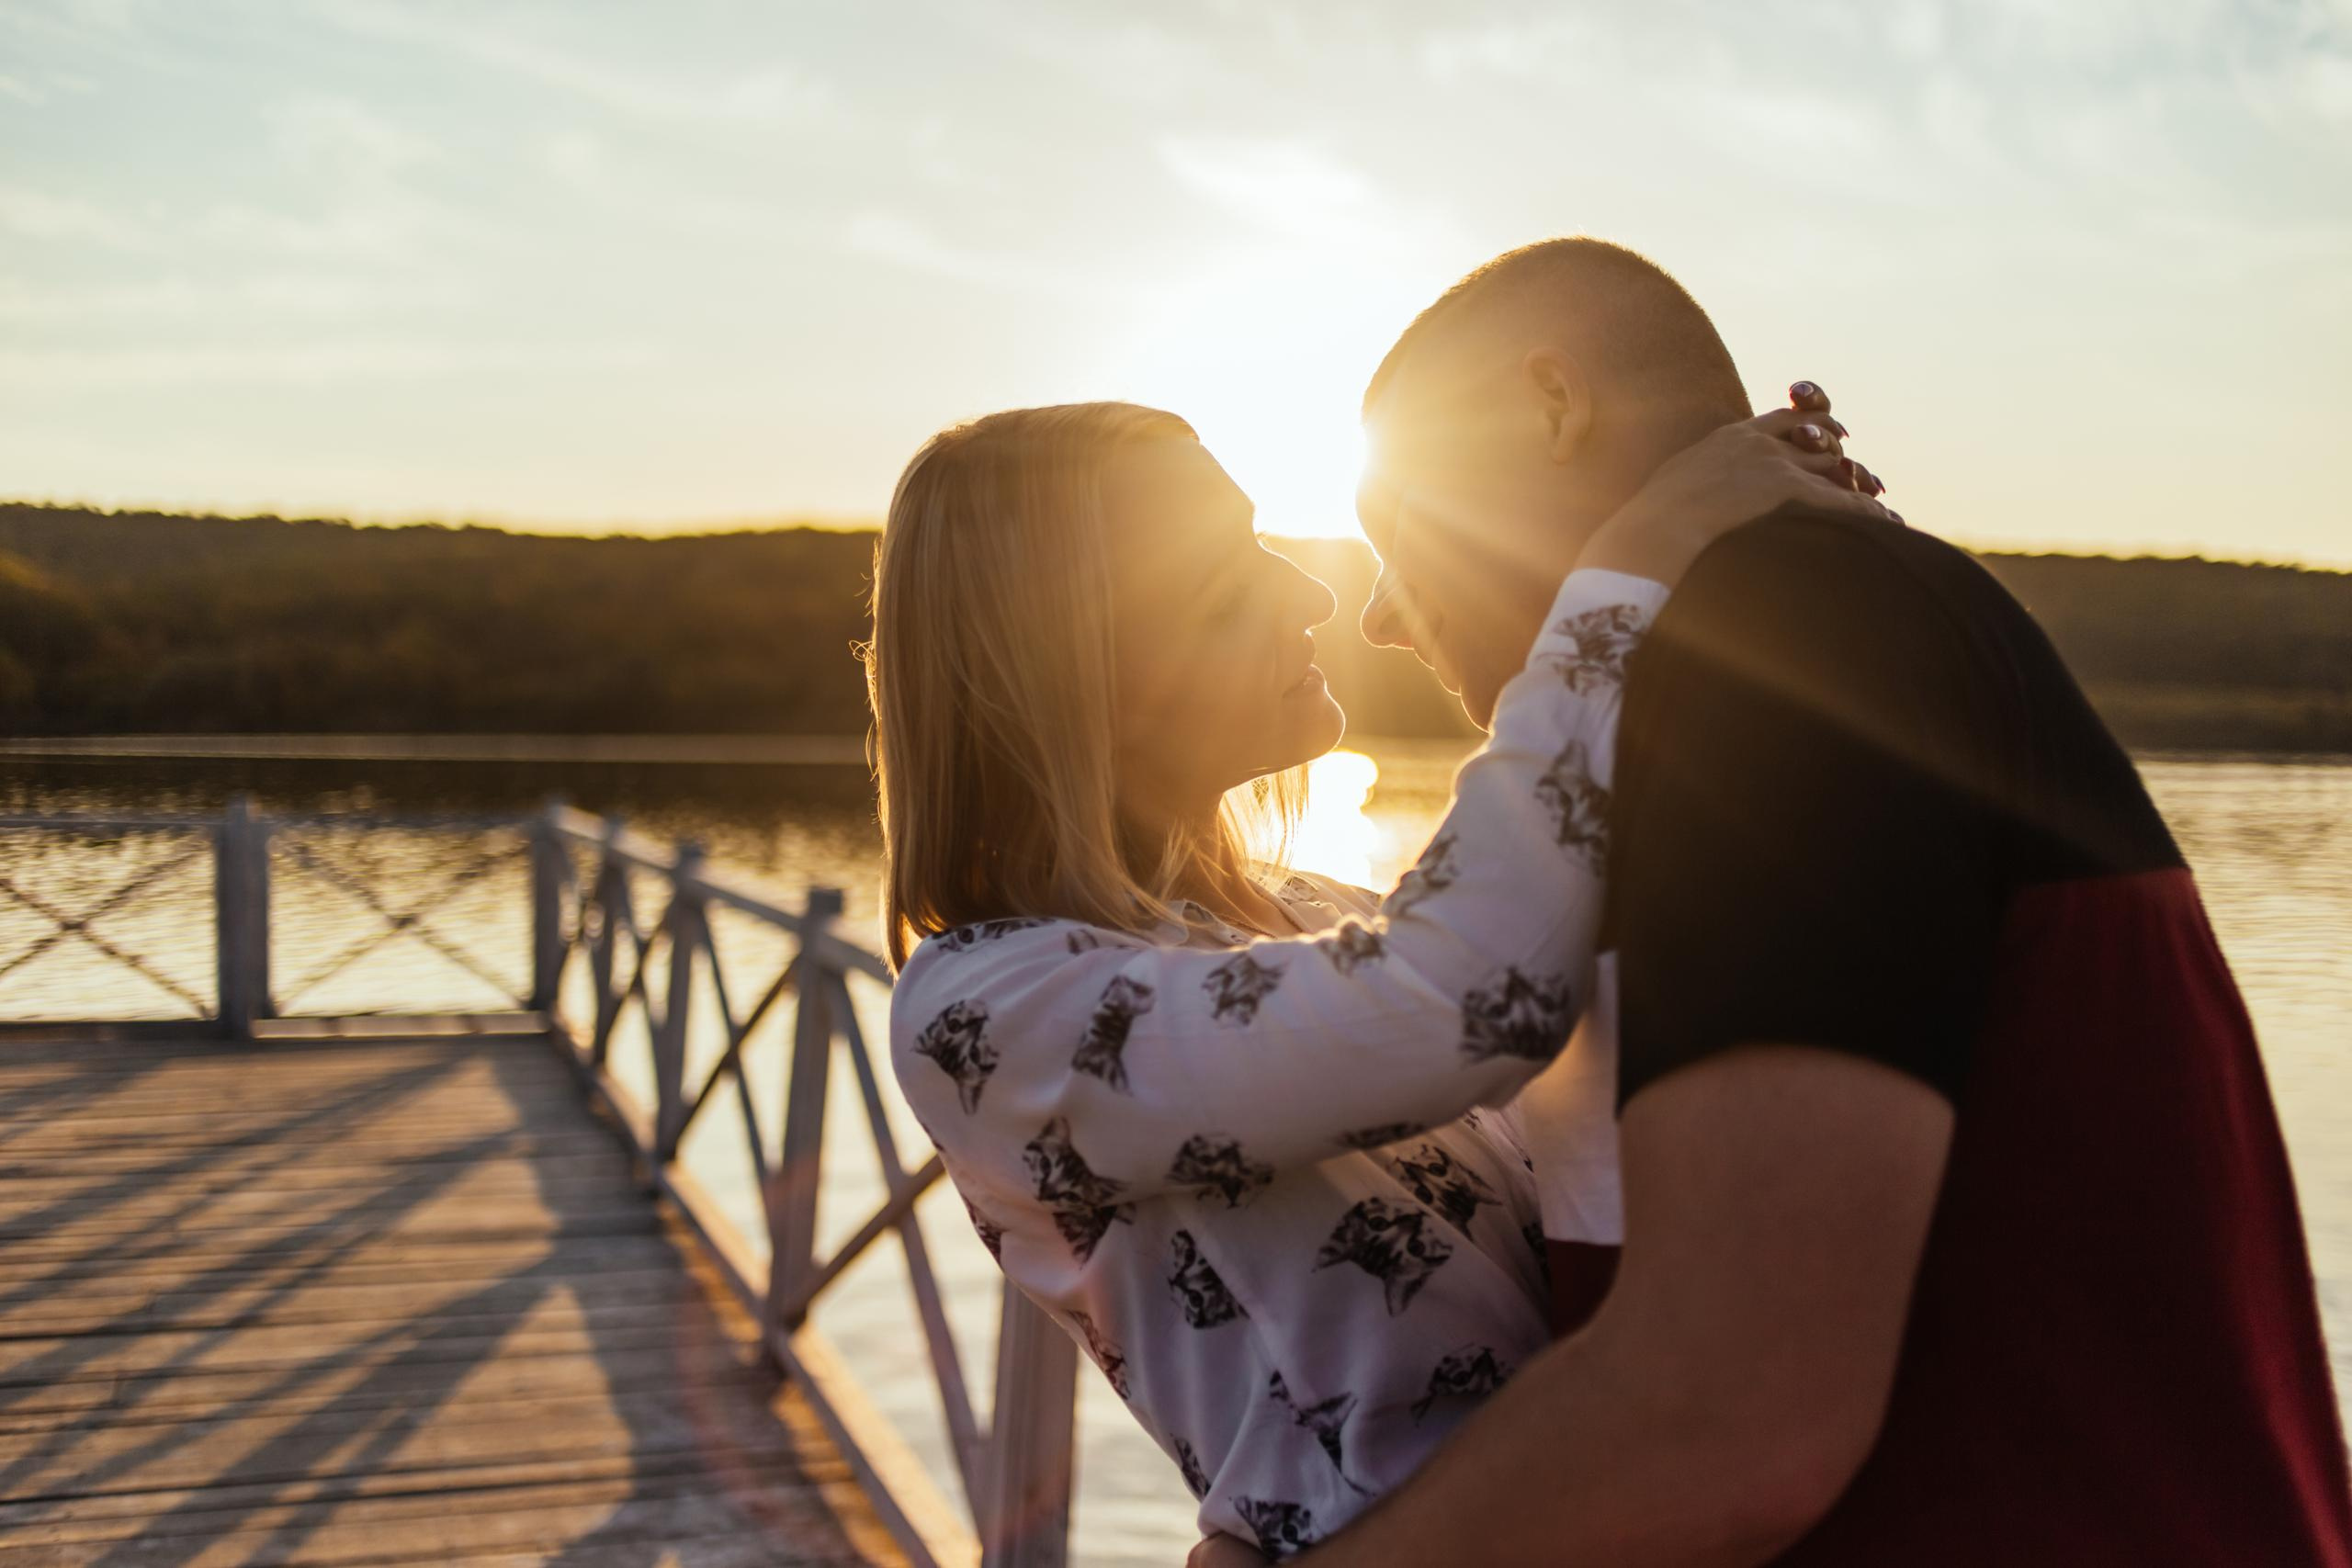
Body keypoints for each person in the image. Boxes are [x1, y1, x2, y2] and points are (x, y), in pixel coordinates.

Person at [1195, 238, 2351, 1564]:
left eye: (1398, 532)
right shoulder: (1708, 693)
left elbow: (1732, 1410)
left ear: (1551, 408)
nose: (1383, 621)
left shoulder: (1786, 640)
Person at [869, 391, 1888, 1552]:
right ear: (1064, 659)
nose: (1310, 597)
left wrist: (1775, 600)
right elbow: (1467, 999)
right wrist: (1634, 564)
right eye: (1221, 576)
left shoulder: (1321, 916)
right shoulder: (988, 1012)